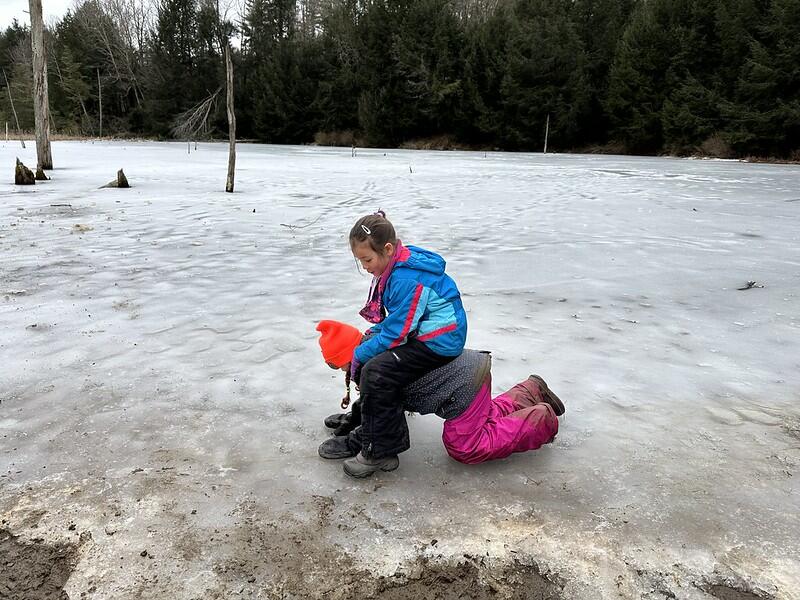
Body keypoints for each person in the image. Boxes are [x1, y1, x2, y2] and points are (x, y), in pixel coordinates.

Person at [316, 320, 563, 478]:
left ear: (347, 356)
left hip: (462, 388)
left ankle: (540, 421)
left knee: (465, 446)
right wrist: (355, 417)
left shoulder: (374, 367)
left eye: (336, 365)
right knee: (482, 418)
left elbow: (383, 409)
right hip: (471, 372)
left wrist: (355, 441)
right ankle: (529, 391)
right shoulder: (377, 345)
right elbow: (378, 403)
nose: (340, 371)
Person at [341, 212, 468, 477]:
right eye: (360, 261)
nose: (365, 267)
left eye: (367, 259)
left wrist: (360, 354)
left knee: (377, 371)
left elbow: (398, 334)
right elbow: (401, 318)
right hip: (423, 331)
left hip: (440, 339)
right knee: (372, 354)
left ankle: (380, 450)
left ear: (388, 249)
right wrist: (372, 338)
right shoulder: (396, 264)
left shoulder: (405, 279)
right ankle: (362, 420)